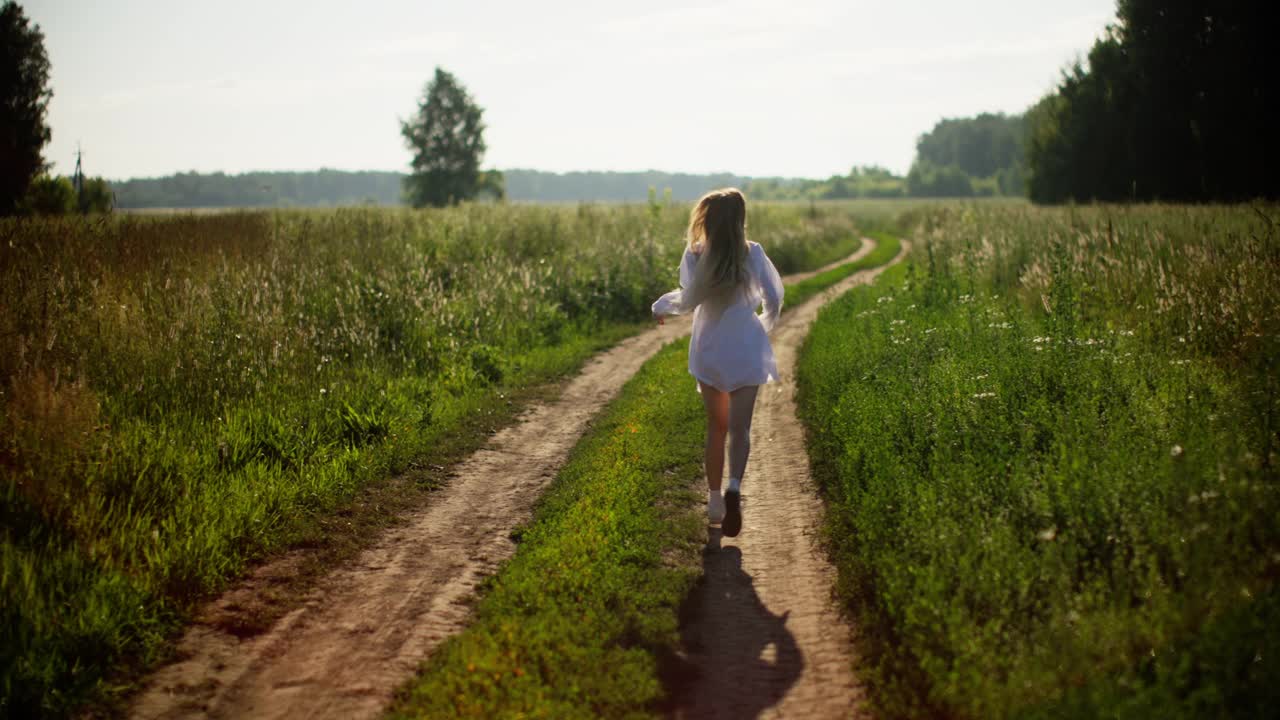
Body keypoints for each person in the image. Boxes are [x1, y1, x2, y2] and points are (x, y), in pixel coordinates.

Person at [651, 188, 783, 537]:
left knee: (716, 427)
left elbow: (687, 297)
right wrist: (762, 327)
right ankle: (735, 487)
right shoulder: (752, 253)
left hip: (710, 347)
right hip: (745, 346)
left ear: (706, 219)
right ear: (740, 220)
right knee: (740, 429)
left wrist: (659, 306)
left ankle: (713, 500)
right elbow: (774, 298)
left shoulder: (695, 254)